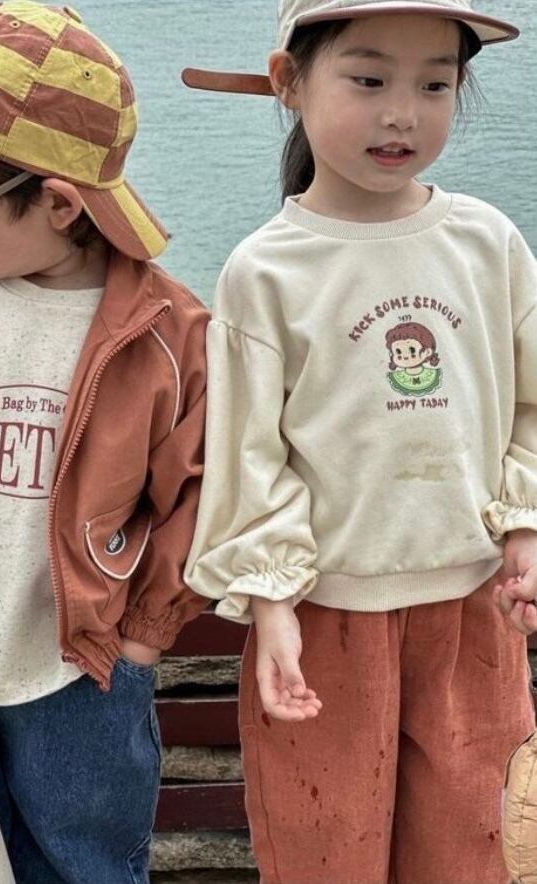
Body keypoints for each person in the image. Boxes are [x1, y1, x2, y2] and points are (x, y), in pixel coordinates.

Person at [183, 0, 537, 881]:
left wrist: (525, 525)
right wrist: (271, 605)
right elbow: (249, 455)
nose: (402, 114)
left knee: (475, 853)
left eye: (435, 86)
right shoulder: (266, 270)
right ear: (289, 82)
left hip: (473, 614)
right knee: (323, 854)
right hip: (323, 624)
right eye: (369, 79)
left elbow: (528, 406)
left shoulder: (489, 245)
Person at [0, 2, 209, 882]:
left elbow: (200, 493)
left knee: (83, 870)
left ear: (59, 203)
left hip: (78, 682)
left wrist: (141, 638)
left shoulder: (169, 335)